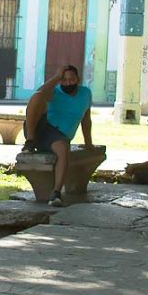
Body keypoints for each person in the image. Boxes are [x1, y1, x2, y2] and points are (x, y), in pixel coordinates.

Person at [21, 65, 94, 207]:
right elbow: (37, 95)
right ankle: (30, 141)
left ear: (78, 79)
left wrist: (89, 143)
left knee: (63, 149)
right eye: (64, 80)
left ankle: (56, 193)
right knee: (37, 96)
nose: (68, 83)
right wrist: (56, 78)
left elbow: (86, 120)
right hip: (42, 127)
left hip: (59, 135)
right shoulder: (54, 91)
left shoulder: (86, 93)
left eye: (71, 79)